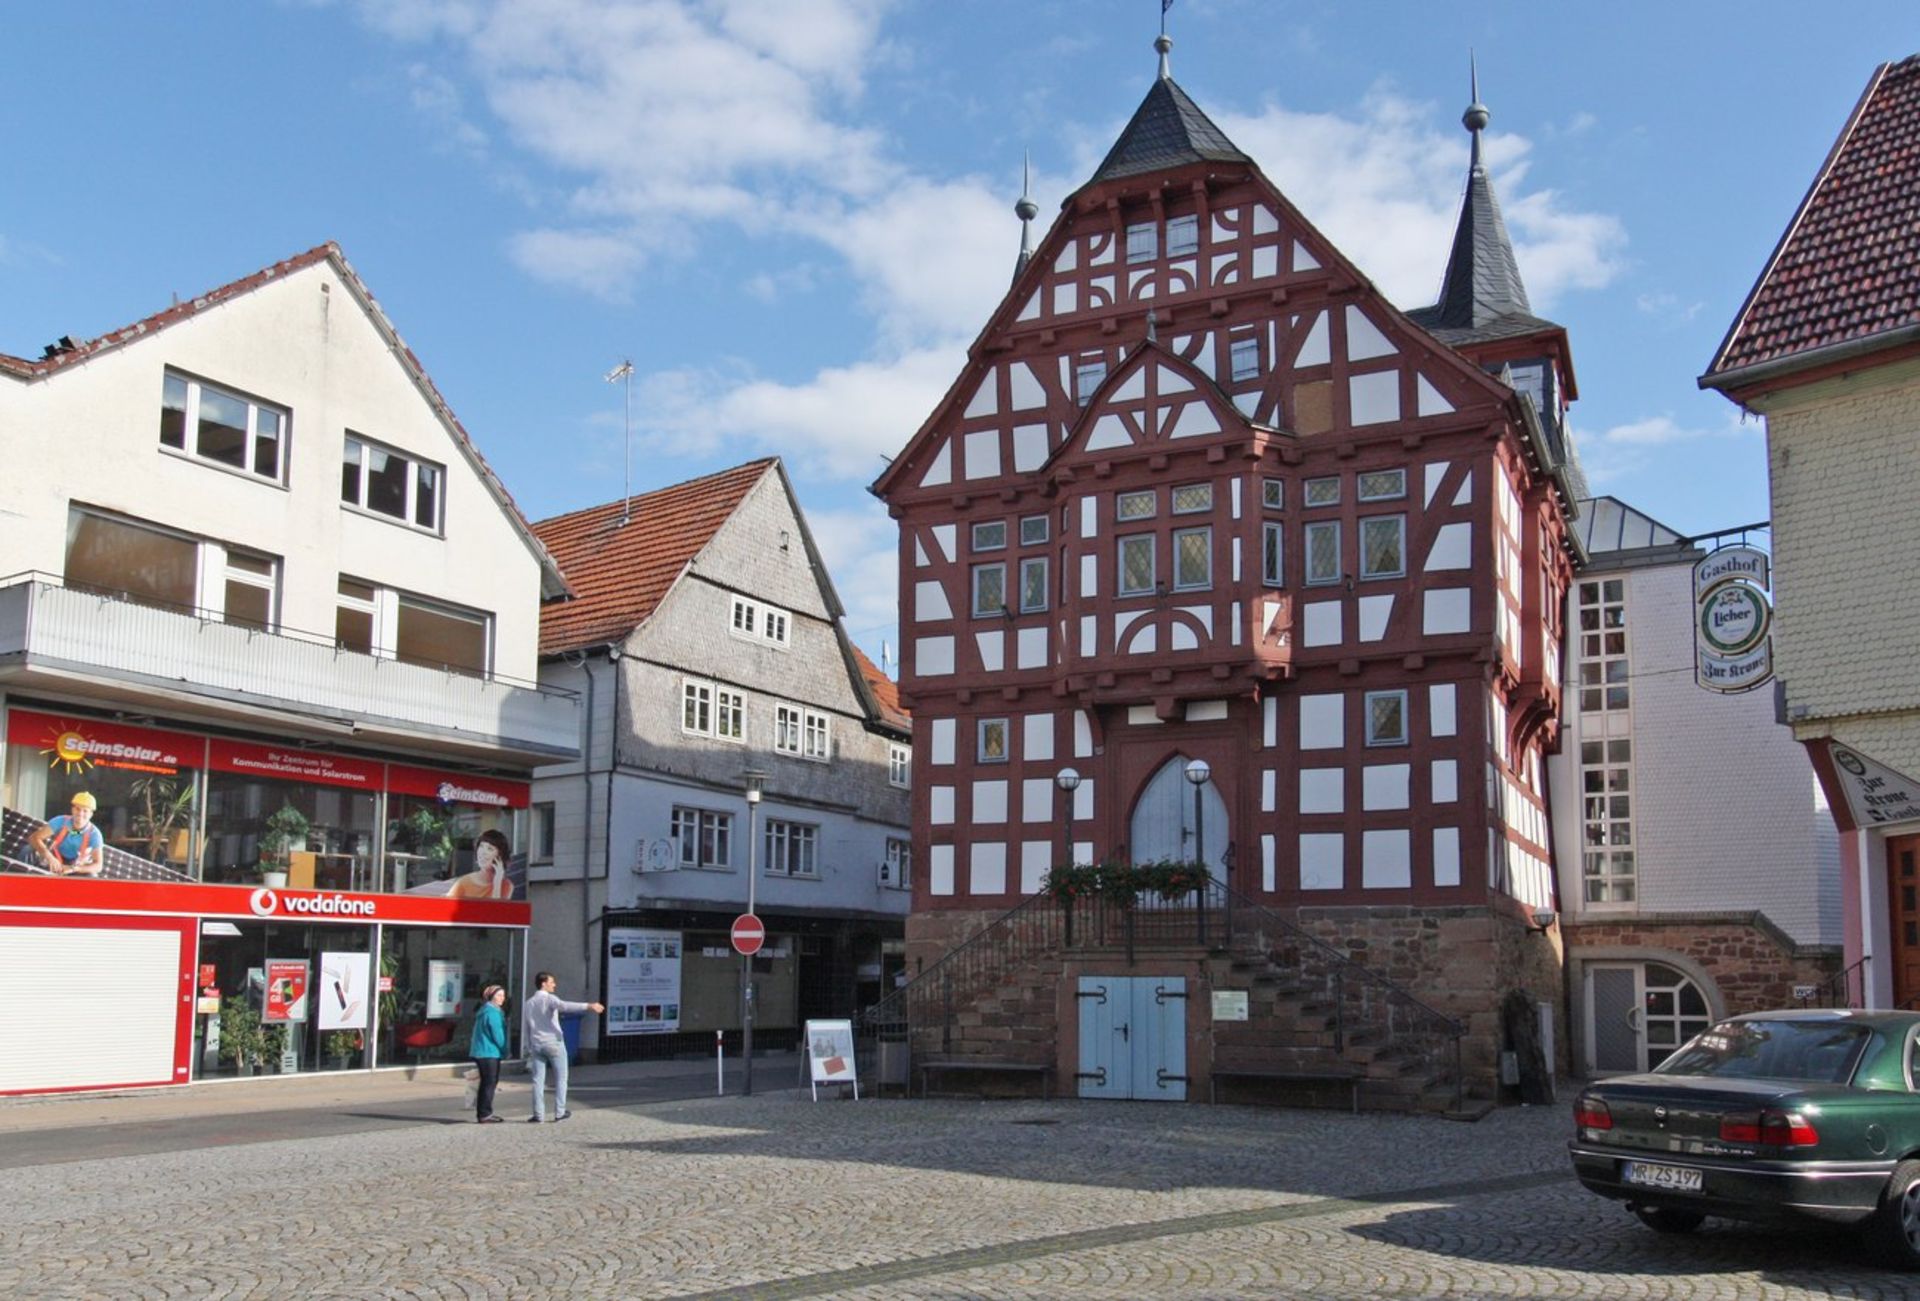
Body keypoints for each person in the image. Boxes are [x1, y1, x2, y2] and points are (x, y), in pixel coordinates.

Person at [522, 971, 603, 1122]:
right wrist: (589, 1005)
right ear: (543, 983)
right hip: (553, 1042)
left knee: (538, 1080)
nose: (554, 984)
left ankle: (538, 1114)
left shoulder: (529, 1002)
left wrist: (528, 1045)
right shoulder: (549, 999)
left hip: (537, 1043)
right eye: (551, 982)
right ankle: (559, 1112)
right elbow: (564, 1006)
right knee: (561, 1078)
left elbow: (527, 1026)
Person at [30, 792, 105, 876]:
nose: (80, 813)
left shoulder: (95, 834)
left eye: (85, 811)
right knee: (27, 851)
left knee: (92, 876)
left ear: (91, 814)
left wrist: (74, 868)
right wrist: (48, 856)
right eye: (78, 809)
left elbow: (98, 866)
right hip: (55, 858)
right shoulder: (60, 821)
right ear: (72, 809)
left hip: (77, 865)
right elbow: (34, 838)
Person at [469, 984, 509, 1123]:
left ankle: (484, 1112)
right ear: (491, 997)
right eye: (499, 995)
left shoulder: (485, 1010)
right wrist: (505, 1050)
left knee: (487, 1082)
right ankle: (485, 1113)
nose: (502, 998)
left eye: (503, 995)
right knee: (489, 1082)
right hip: (489, 1052)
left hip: (482, 1051)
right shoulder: (492, 1013)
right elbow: (497, 1034)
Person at [447, 829, 515, 900]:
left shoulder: (506, 885)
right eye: (481, 846)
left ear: (500, 856)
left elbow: (496, 910)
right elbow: (445, 906)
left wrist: (497, 883)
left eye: (490, 849)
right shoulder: (463, 883)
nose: (483, 852)